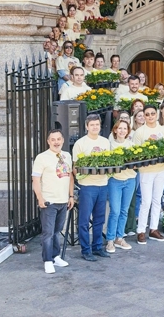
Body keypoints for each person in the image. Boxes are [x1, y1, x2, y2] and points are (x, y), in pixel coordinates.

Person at [32, 129, 74, 274]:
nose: (56, 142)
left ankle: (55, 256)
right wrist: (40, 197)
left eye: (58, 139)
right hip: (49, 201)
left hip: (63, 201)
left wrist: (70, 196)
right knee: (48, 233)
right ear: (48, 142)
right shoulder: (41, 158)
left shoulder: (67, 156)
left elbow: (70, 177)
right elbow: (35, 180)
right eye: (53, 139)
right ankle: (47, 260)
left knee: (57, 232)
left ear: (62, 140)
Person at [72, 114, 111, 261]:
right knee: (84, 219)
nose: (95, 127)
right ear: (87, 126)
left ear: (100, 126)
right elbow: (75, 166)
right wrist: (80, 178)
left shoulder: (105, 142)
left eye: (97, 124)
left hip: (103, 184)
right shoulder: (80, 144)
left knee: (99, 219)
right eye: (92, 125)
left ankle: (97, 247)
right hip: (87, 186)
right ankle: (85, 250)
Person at [133, 104, 164, 244]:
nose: (150, 116)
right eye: (147, 114)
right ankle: (141, 230)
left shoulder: (162, 130)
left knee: (157, 200)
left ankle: (153, 229)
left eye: (152, 113)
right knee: (146, 201)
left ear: (157, 114)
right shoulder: (140, 131)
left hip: (161, 169)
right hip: (146, 171)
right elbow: (135, 151)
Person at [105, 120, 135, 253]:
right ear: (115, 130)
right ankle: (110, 240)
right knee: (115, 211)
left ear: (128, 131)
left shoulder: (132, 145)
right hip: (115, 180)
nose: (122, 131)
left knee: (124, 210)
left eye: (125, 128)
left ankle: (119, 237)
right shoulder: (109, 145)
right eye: (120, 128)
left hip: (130, 179)